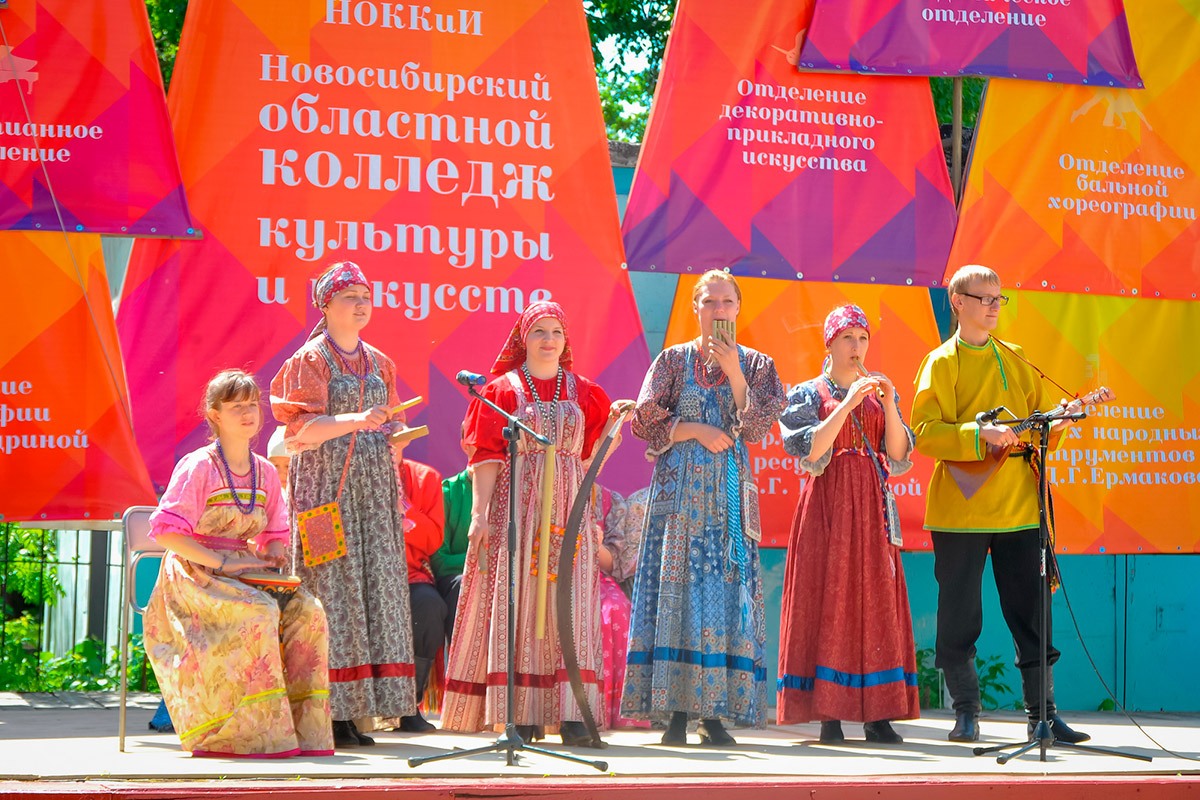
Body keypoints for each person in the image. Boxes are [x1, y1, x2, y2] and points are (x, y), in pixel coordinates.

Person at [910, 264, 1089, 744]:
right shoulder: (940, 362)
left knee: (1033, 612)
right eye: (984, 297)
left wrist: (1062, 420)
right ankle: (966, 712)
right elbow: (924, 433)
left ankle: (1043, 715)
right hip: (960, 511)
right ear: (958, 302)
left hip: (1019, 507)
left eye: (998, 298)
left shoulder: (1015, 356)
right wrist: (978, 433)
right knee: (958, 616)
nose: (993, 306)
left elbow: (1037, 423)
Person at [440, 301, 630, 747]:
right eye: (539, 331)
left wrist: (614, 426)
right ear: (523, 339)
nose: (549, 339)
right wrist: (480, 515)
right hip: (518, 509)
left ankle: (572, 715)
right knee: (520, 602)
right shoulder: (501, 391)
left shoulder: (586, 392)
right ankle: (519, 714)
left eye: (556, 331)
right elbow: (486, 457)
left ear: (566, 340)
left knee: (571, 603)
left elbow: (592, 455)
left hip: (568, 508)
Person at [621, 270, 786, 746]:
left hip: (727, 500)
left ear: (739, 307)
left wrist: (734, 372)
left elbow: (757, 428)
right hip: (677, 502)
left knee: (725, 596)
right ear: (695, 308)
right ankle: (674, 713)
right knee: (675, 595)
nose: (718, 310)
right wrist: (693, 429)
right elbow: (643, 418)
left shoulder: (758, 365)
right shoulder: (673, 360)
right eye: (709, 301)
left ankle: (714, 715)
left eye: (727, 301)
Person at [143, 369, 333, 757]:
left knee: (310, 612)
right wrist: (220, 561)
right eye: (236, 407)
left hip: (243, 572)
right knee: (259, 613)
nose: (247, 413)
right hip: (194, 574)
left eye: (251, 405)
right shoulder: (199, 466)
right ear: (214, 414)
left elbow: (275, 533)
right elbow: (166, 534)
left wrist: (272, 553)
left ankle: (303, 733)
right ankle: (247, 736)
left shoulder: (265, 470)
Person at [271, 261, 416, 747]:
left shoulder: (380, 362)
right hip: (325, 492)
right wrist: (357, 419)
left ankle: (368, 708)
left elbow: (390, 421)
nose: (361, 304)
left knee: (378, 590)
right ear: (326, 304)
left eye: (366, 296)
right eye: (350, 296)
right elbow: (300, 433)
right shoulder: (309, 361)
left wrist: (397, 432)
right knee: (332, 592)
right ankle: (328, 713)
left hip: (373, 495)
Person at [777, 305, 920, 744]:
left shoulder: (877, 392)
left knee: (877, 600)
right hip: (828, 504)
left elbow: (898, 454)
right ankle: (829, 715)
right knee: (828, 597)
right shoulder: (808, 392)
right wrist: (847, 404)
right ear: (830, 343)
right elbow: (810, 449)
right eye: (847, 338)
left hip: (872, 507)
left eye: (862, 338)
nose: (856, 347)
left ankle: (879, 714)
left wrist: (889, 403)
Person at [392, 438, 448, 732]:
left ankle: (408, 705)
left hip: (409, 574)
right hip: (361, 575)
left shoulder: (425, 478)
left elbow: (431, 540)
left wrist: (401, 504)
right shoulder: (350, 470)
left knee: (429, 606)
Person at [433, 422, 474, 643]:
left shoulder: (513, 494)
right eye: (479, 440)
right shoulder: (447, 492)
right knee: (463, 586)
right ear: (465, 445)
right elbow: (439, 559)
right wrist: (479, 560)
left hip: (503, 581)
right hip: (460, 580)